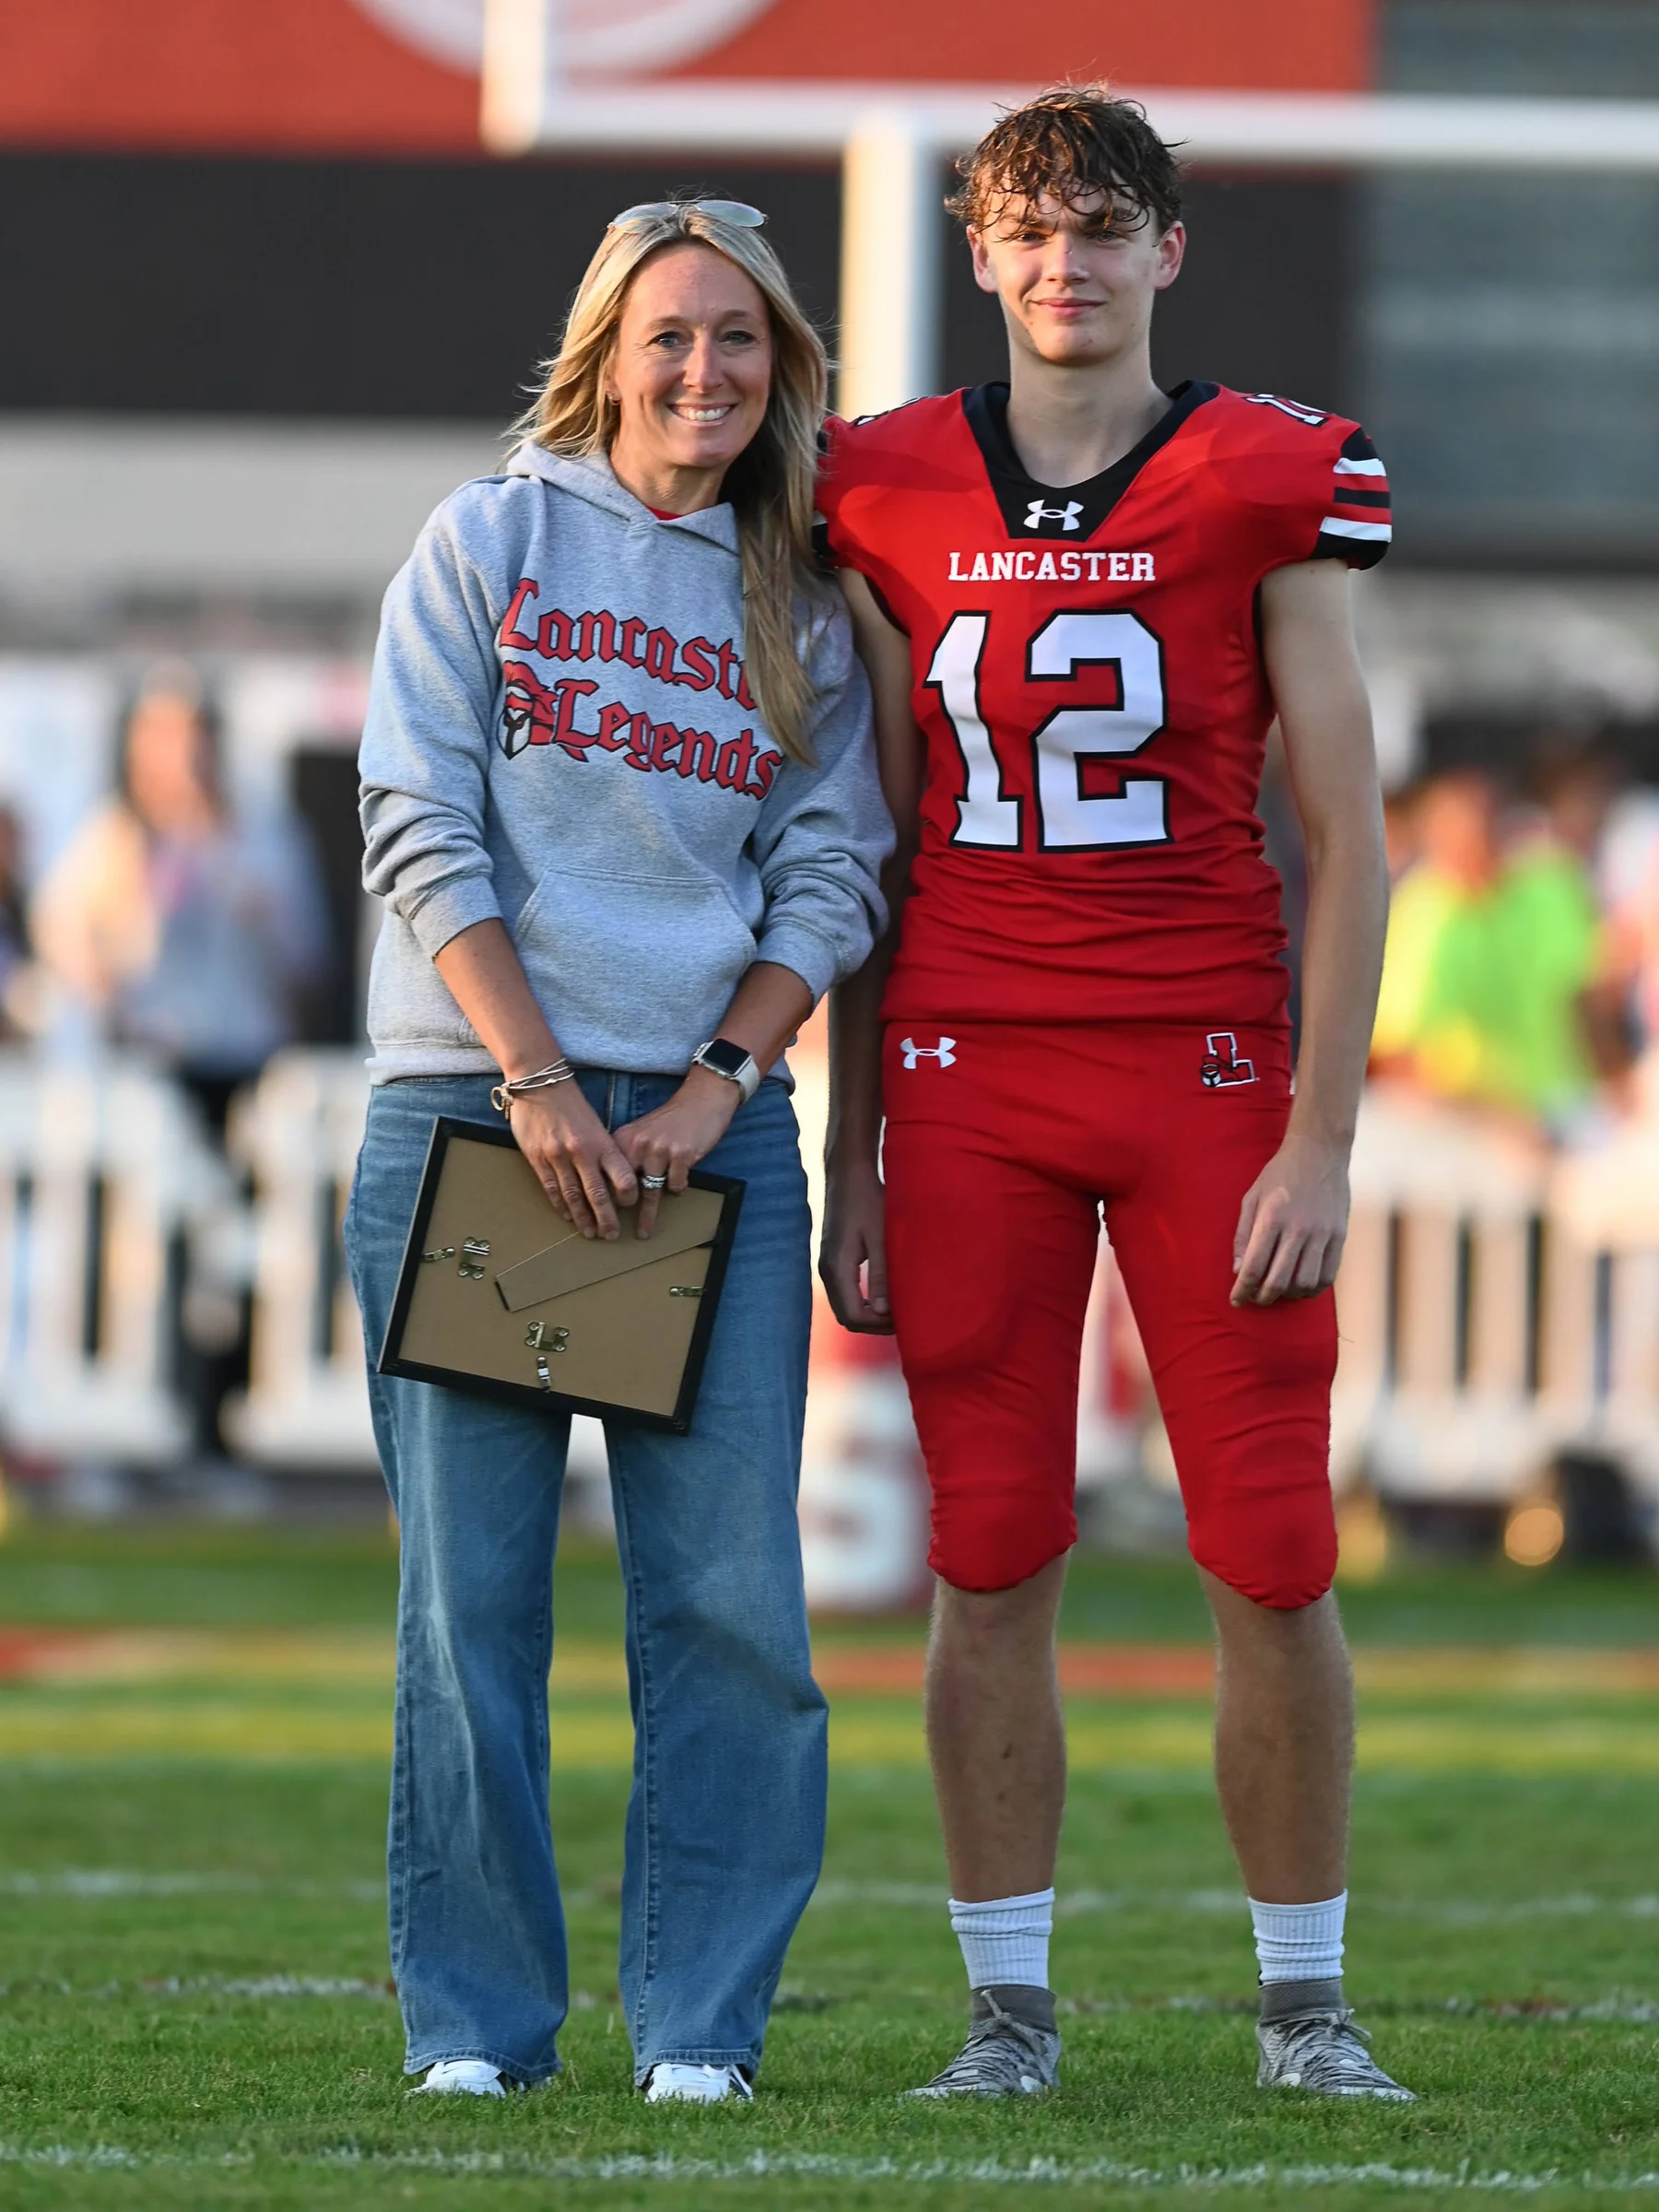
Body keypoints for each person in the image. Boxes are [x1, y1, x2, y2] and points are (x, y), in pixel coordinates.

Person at [818, 87, 1414, 2101]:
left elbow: (1350, 828)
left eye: (1102, 228)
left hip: (1209, 1065)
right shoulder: (879, 480)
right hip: (967, 1066)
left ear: (1170, 252)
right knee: (987, 1550)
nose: (1063, 262)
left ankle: (1306, 2010)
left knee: (1270, 1547)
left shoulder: (1267, 472)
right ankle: (1007, 2017)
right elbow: (874, 846)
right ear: (977, 256)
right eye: (1027, 229)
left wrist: (1324, 1133)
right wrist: (858, 1154)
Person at [345, 200, 889, 2104]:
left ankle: (701, 2035)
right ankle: (477, 2036)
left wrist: (706, 1096)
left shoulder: (805, 594)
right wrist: (541, 1084)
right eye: (671, 335)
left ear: (783, 364)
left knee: (734, 1606)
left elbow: (830, 868)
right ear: (606, 347)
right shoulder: (490, 534)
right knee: (470, 1612)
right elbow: (415, 815)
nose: (706, 372)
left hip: (704, 1151)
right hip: (485, 1124)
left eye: (741, 340)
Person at [30, 674, 327, 1129]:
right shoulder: (117, 836)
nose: (183, 753)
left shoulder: (262, 830)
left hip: (245, 1049)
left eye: (192, 735)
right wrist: (105, 993)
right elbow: (58, 925)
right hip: (152, 1053)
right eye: (164, 737)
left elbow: (305, 945)